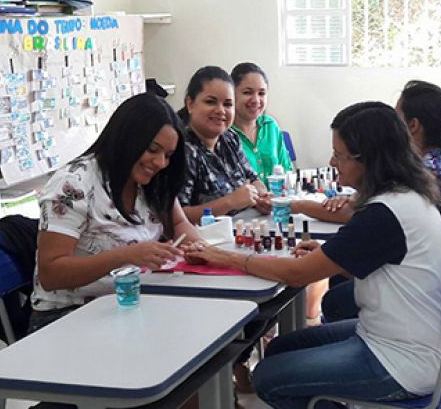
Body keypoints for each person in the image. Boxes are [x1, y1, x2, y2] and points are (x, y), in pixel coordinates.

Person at [188, 102, 441, 409]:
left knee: (268, 377)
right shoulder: (404, 196)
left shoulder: (384, 213)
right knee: (279, 349)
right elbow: (388, 263)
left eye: (340, 155)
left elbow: (298, 275)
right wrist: (328, 255)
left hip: (401, 361)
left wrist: (225, 257)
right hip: (405, 338)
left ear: (369, 160)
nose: (332, 162)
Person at [30, 93, 202, 332]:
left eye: (168, 155)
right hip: (68, 317)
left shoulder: (152, 181)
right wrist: (127, 256)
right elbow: (51, 275)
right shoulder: (73, 184)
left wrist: (199, 250)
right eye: (153, 150)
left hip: (129, 305)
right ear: (127, 139)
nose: (161, 162)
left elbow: (181, 225)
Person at [321, 80, 441, 322]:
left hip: (426, 295)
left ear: (413, 125)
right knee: (340, 274)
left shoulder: (428, 172)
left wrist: (294, 205)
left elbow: (369, 217)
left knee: (336, 295)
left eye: (395, 119)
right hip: (440, 281)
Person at [177, 66, 270, 224]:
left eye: (228, 104)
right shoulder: (182, 149)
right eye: (210, 102)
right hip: (205, 239)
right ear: (190, 104)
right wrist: (230, 202)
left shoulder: (230, 138)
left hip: (244, 227)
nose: (221, 111)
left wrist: (258, 196)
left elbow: (254, 179)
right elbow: (176, 218)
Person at [230, 62, 293, 183]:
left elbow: (287, 170)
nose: (256, 100)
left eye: (261, 93)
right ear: (232, 94)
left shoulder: (270, 126)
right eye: (247, 92)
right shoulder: (224, 133)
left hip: (277, 200)